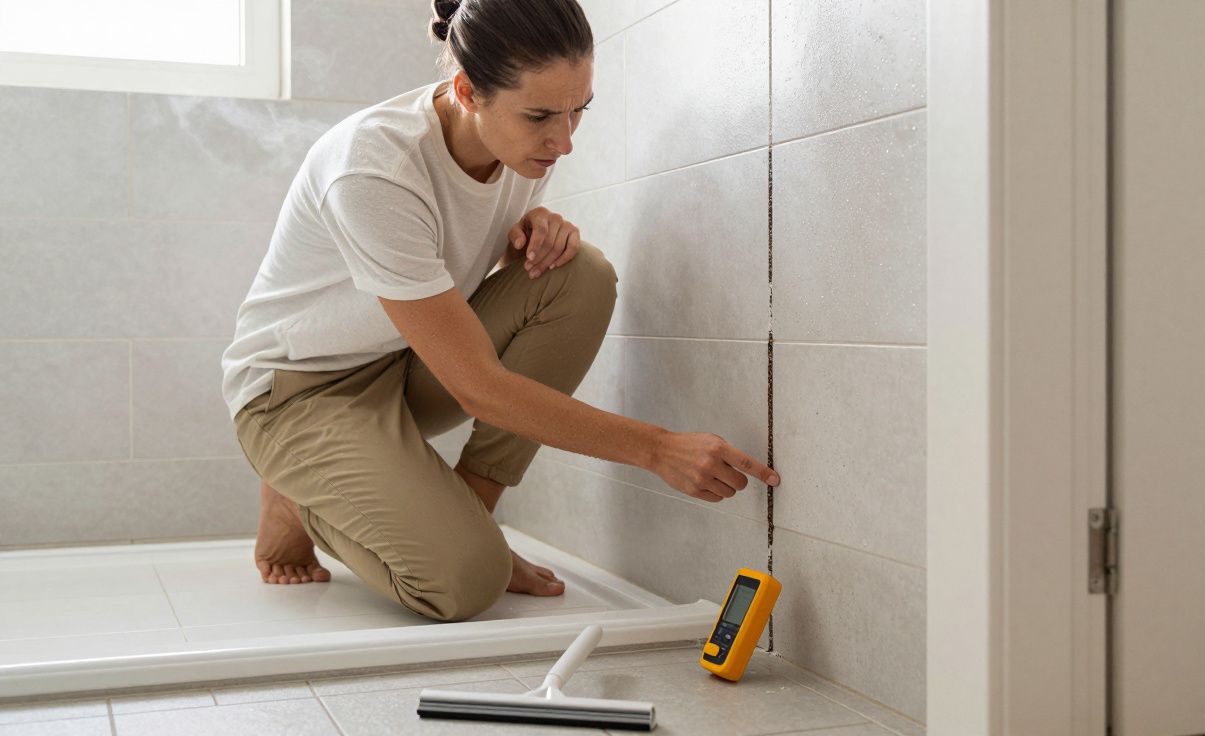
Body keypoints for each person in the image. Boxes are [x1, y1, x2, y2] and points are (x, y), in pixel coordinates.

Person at [220, 0, 783, 623]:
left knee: (578, 273)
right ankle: (295, 498)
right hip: (297, 393)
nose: (565, 141)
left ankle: (466, 517)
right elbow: (480, 388)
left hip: (399, 364)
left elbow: (445, 265)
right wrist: (657, 449)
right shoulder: (373, 169)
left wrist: (527, 231)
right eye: (542, 115)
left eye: (579, 111)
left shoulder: (518, 150)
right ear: (467, 90)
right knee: (463, 586)